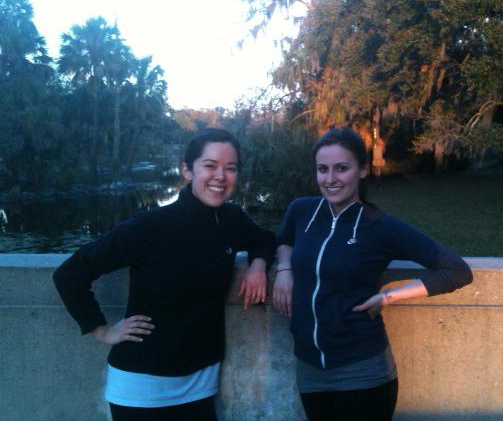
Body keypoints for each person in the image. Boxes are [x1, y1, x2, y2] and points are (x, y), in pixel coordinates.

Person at [53, 128, 275, 421]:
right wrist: (101, 329)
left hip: (200, 383)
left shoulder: (230, 220)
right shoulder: (150, 226)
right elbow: (70, 274)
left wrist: (259, 265)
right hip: (141, 387)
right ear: (187, 170)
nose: (220, 176)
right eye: (210, 166)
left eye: (230, 168)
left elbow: (265, 239)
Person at [272, 127, 473, 421]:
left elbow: (457, 270)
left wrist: (389, 295)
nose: (330, 179)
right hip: (309, 369)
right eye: (322, 169)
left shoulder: (379, 227)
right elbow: (284, 240)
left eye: (341, 168)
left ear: (363, 169)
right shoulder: (301, 211)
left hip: (363, 370)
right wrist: (285, 270)